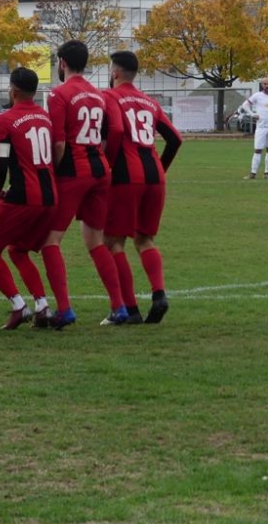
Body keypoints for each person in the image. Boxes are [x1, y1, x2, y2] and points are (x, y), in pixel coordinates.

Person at [40, 39, 125, 329]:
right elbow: (110, 131)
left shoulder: (59, 94)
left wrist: (52, 171)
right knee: (95, 241)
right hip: (101, 169)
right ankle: (118, 306)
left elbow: (60, 141)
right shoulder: (99, 94)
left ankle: (64, 309)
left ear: (62, 61)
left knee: (50, 241)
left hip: (75, 171)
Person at [103, 51, 182, 324]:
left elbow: (112, 132)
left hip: (126, 175)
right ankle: (159, 294)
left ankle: (130, 309)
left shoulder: (110, 97)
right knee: (144, 239)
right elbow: (175, 139)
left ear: (115, 72)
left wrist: (108, 165)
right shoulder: (149, 101)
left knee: (113, 241)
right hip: (154, 175)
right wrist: (160, 168)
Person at [0, 68, 57, 330]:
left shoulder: (5, 120)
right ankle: (43, 306)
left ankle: (18, 306)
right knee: (18, 250)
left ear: (12, 90)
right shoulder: (45, 117)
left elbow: (1, 160)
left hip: (24, 195)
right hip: (50, 196)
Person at [241, 77, 268, 179]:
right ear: (262, 85)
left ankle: (267, 173)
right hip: (261, 127)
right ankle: (253, 173)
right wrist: (252, 114)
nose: (267, 85)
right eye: (265, 84)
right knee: (258, 150)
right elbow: (245, 105)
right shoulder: (258, 96)